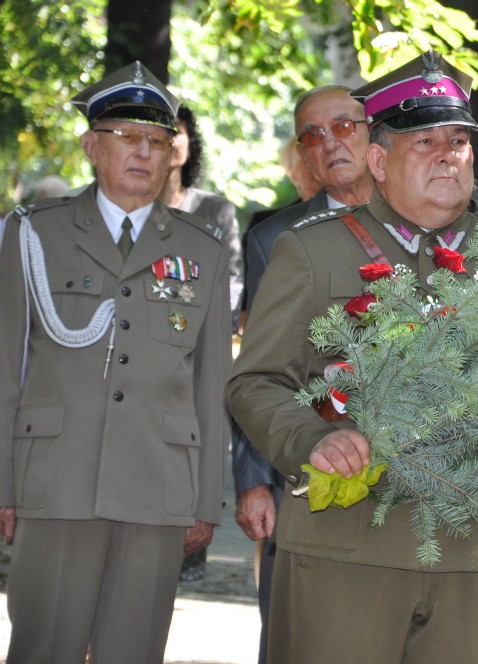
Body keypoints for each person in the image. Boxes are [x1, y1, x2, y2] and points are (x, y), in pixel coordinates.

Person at [226, 50, 478, 664]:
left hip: (469, 556)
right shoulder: (313, 252)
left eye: (459, 141)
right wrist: (308, 437)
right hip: (345, 543)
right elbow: (253, 381)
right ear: (378, 158)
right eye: (425, 141)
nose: (448, 154)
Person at [0, 61, 230, 663]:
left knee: (134, 651)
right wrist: (3, 484)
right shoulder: (33, 234)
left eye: (157, 141)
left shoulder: (198, 248)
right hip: (55, 480)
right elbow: (5, 370)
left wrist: (205, 500)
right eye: (127, 136)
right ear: (90, 146)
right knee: (43, 647)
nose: (144, 153)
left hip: (156, 487)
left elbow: (210, 384)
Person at [230, 83, 374, 664]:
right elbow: (258, 368)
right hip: (308, 463)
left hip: (412, 467)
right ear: (303, 154)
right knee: (297, 633)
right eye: (313, 135)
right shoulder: (275, 237)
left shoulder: (428, 222)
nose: (330, 143)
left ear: (375, 132)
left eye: (343, 125)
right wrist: (252, 479)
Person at [160, 104, 243, 335]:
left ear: (190, 142)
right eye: (160, 133)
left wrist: (220, 334)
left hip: (204, 337)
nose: (170, 141)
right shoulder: (130, 211)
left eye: (176, 131)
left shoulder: (215, 210)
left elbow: (231, 280)